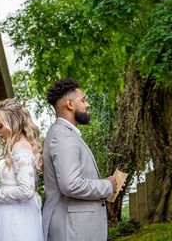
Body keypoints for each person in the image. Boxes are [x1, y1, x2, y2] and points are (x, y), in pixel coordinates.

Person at [42, 78, 117, 241]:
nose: (87, 104)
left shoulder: (64, 134)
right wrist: (106, 186)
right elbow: (70, 185)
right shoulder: (63, 136)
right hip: (72, 230)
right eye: (83, 100)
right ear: (70, 104)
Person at [0, 98, 44, 241]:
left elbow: (26, 190)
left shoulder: (20, 148)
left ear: (13, 123)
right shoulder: (16, 146)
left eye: (0, 126)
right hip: (9, 212)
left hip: (15, 218)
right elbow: (14, 185)